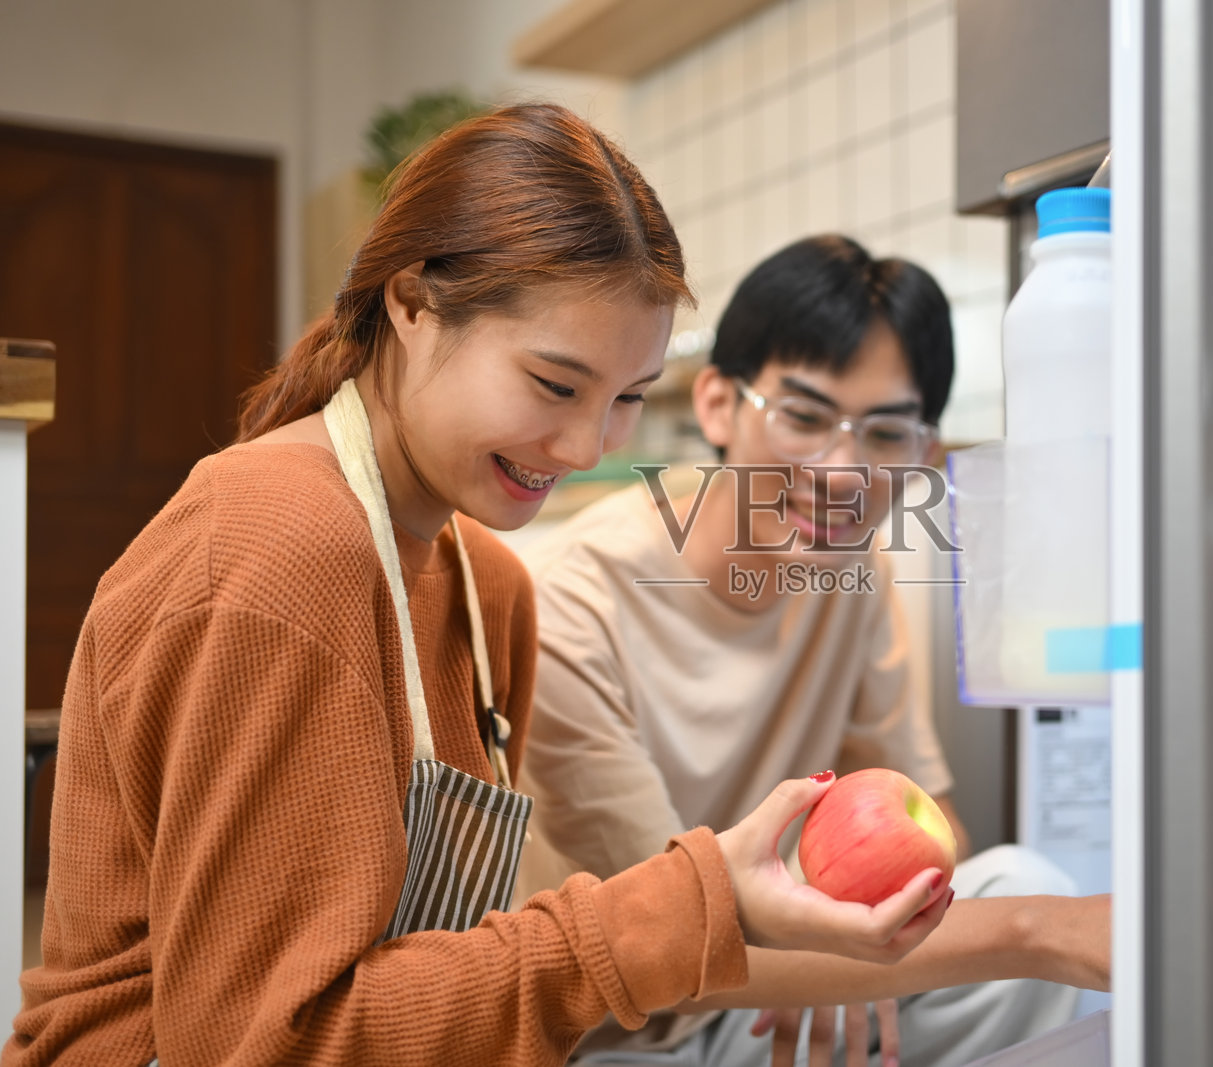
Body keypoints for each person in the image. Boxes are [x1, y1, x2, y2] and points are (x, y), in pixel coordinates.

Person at [1, 106, 955, 1067]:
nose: (586, 448)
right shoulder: (278, 548)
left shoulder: (487, 582)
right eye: (554, 384)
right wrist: (702, 902)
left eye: (626, 398)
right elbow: (266, 1043)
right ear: (414, 306)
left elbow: (447, 975)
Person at [514, 235, 1110, 1067]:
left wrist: (854, 953)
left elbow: (935, 834)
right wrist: (1019, 936)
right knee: (1030, 917)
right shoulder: (571, 604)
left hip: (790, 977)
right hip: (629, 1032)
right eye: (801, 417)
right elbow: (662, 933)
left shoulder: (851, 572)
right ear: (717, 405)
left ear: (927, 455)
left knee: (1015, 876)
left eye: (886, 432)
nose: (842, 470)